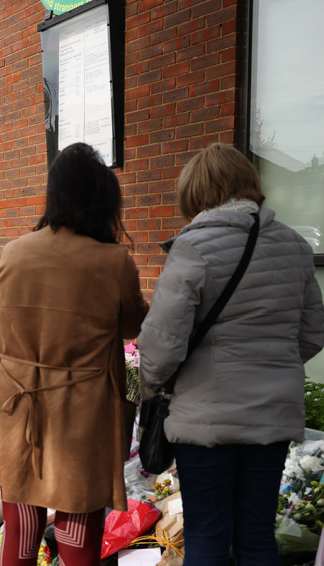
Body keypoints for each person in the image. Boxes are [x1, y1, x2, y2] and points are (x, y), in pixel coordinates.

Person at [138, 143, 324, 566]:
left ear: (196, 193)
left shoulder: (193, 248)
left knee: (207, 534)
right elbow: (313, 331)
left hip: (206, 418)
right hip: (272, 417)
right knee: (257, 534)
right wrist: (273, 366)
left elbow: (161, 344)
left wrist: (157, 382)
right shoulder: (294, 246)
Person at [0, 143, 148, 566]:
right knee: (77, 525)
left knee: (21, 526)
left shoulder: (13, 253)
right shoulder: (113, 261)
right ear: (102, 199)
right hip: (81, 409)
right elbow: (134, 328)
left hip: (16, 401)